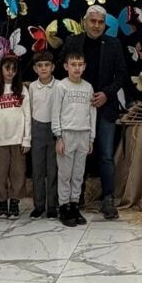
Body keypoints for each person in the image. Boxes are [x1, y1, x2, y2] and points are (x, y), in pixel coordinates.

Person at [62, 5, 128, 220]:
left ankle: (108, 199)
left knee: (106, 155)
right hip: (76, 109)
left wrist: (106, 94)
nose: (97, 25)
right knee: (76, 153)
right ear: (85, 22)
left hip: (105, 107)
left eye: (101, 22)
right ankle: (76, 197)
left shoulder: (114, 44)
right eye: (93, 21)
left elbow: (121, 75)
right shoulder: (72, 42)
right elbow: (60, 68)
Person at [53, 51, 97, 227]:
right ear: (66, 66)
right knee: (65, 174)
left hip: (83, 134)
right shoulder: (61, 86)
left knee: (78, 174)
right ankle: (64, 207)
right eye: (73, 64)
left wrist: (91, 137)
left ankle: (74, 205)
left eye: (80, 65)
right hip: (67, 134)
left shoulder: (88, 87)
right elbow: (55, 112)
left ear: (84, 66)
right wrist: (58, 137)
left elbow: (92, 113)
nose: (77, 68)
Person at [0, 54, 31, 219]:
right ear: (1, 69)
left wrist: (27, 139)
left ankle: (15, 202)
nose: (10, 72)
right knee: (0, 173)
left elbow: (27, 115)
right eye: (7, 68)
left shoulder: (22, 90)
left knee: (18, 173)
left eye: (14, 69)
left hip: (18, 139)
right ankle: (2, 202)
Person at [27, 51, 60, 219]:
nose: (43, 68)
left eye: (47, 65)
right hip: (37, 128)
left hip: (54, 129)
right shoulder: (32, 87)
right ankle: (39, 205)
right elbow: (29, 110)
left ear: (53, 67)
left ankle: (52, 205)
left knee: (53, 170)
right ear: (35, 68)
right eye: (40, 65)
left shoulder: (60, 86)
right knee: (38, 170)